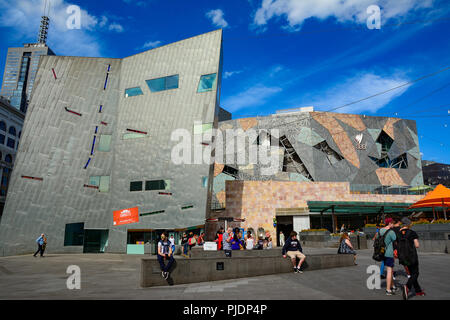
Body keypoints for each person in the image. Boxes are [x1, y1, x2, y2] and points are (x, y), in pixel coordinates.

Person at [399, 217, 425, 300]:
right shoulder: (412, 232)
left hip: (402, 256)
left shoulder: (398, 233)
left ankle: (418, 290)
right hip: (411, 256)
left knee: (412, 273)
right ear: (408, 224)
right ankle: (407, 287)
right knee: (415, 273)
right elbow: (417, 245)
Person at [377, 218, 398, 295]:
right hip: (389, 253)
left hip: (382, 253)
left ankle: (393, 286)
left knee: (390, 270)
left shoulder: (380, 230)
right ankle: (388, 290)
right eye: (392, 223)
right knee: (389, 271)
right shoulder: (391, 232)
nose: (393, 224)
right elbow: (395, 241)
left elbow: (376, 239)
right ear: (389, 223)